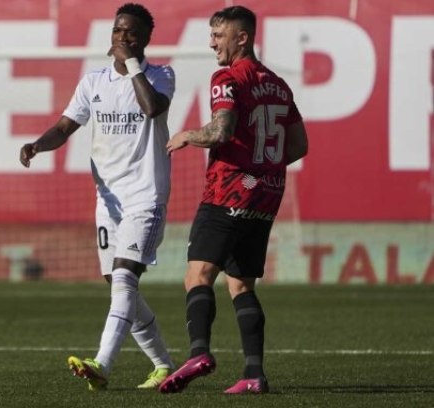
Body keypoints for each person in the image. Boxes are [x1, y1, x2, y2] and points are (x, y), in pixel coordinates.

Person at [19, 3, 176, 391]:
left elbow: (152, 108)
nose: (122, 37)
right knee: (118, 284)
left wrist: (134, 66)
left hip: (145, 196)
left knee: (124, 277)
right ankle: (164, 364)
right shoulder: (93, 82)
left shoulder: (161, 76)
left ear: (145, 40)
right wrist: (38, 145)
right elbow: (64, 126)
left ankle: (102, 364)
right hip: (108, 202)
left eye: (131, 33)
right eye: (117, 30)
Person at [158, 5, 308, 394]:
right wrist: (262, 168)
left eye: (218, 35)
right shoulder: (278, 84)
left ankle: (198, 353)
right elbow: (299, 145)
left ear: (242, 37)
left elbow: (222, 130)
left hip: (226, 193)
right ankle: (254, 375)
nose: (212, 44)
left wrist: (189, 134)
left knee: (198, 275)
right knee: (241, 285)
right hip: (266, 196)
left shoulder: (227, 77)